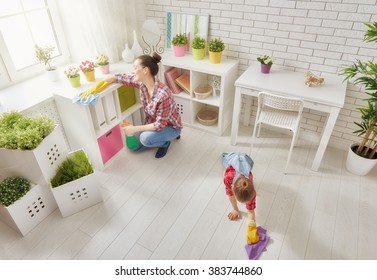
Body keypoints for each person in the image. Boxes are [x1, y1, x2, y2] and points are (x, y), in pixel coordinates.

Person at [106, 52, 182, 158]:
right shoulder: (143, 84)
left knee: (145, 139)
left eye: (135, 68)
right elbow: (127, 78)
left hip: (170, 126)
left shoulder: (163, 95)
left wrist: (134, 129)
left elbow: (160, 125)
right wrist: (110, 79)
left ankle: (165, 143)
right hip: (154, 123)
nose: (133, 71)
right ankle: (159, 138)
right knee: (135, 148)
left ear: (145, 70)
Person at [222, 152, 259, 244]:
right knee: (224, 160)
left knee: (241, 159)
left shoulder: (250, 180)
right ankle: (225, 155)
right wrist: (235, 209)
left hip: (245, 159)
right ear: (233, 190)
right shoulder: (228, 178)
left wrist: (251, 230)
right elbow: (230, 195)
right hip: (231, 159)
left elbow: (251, 211)